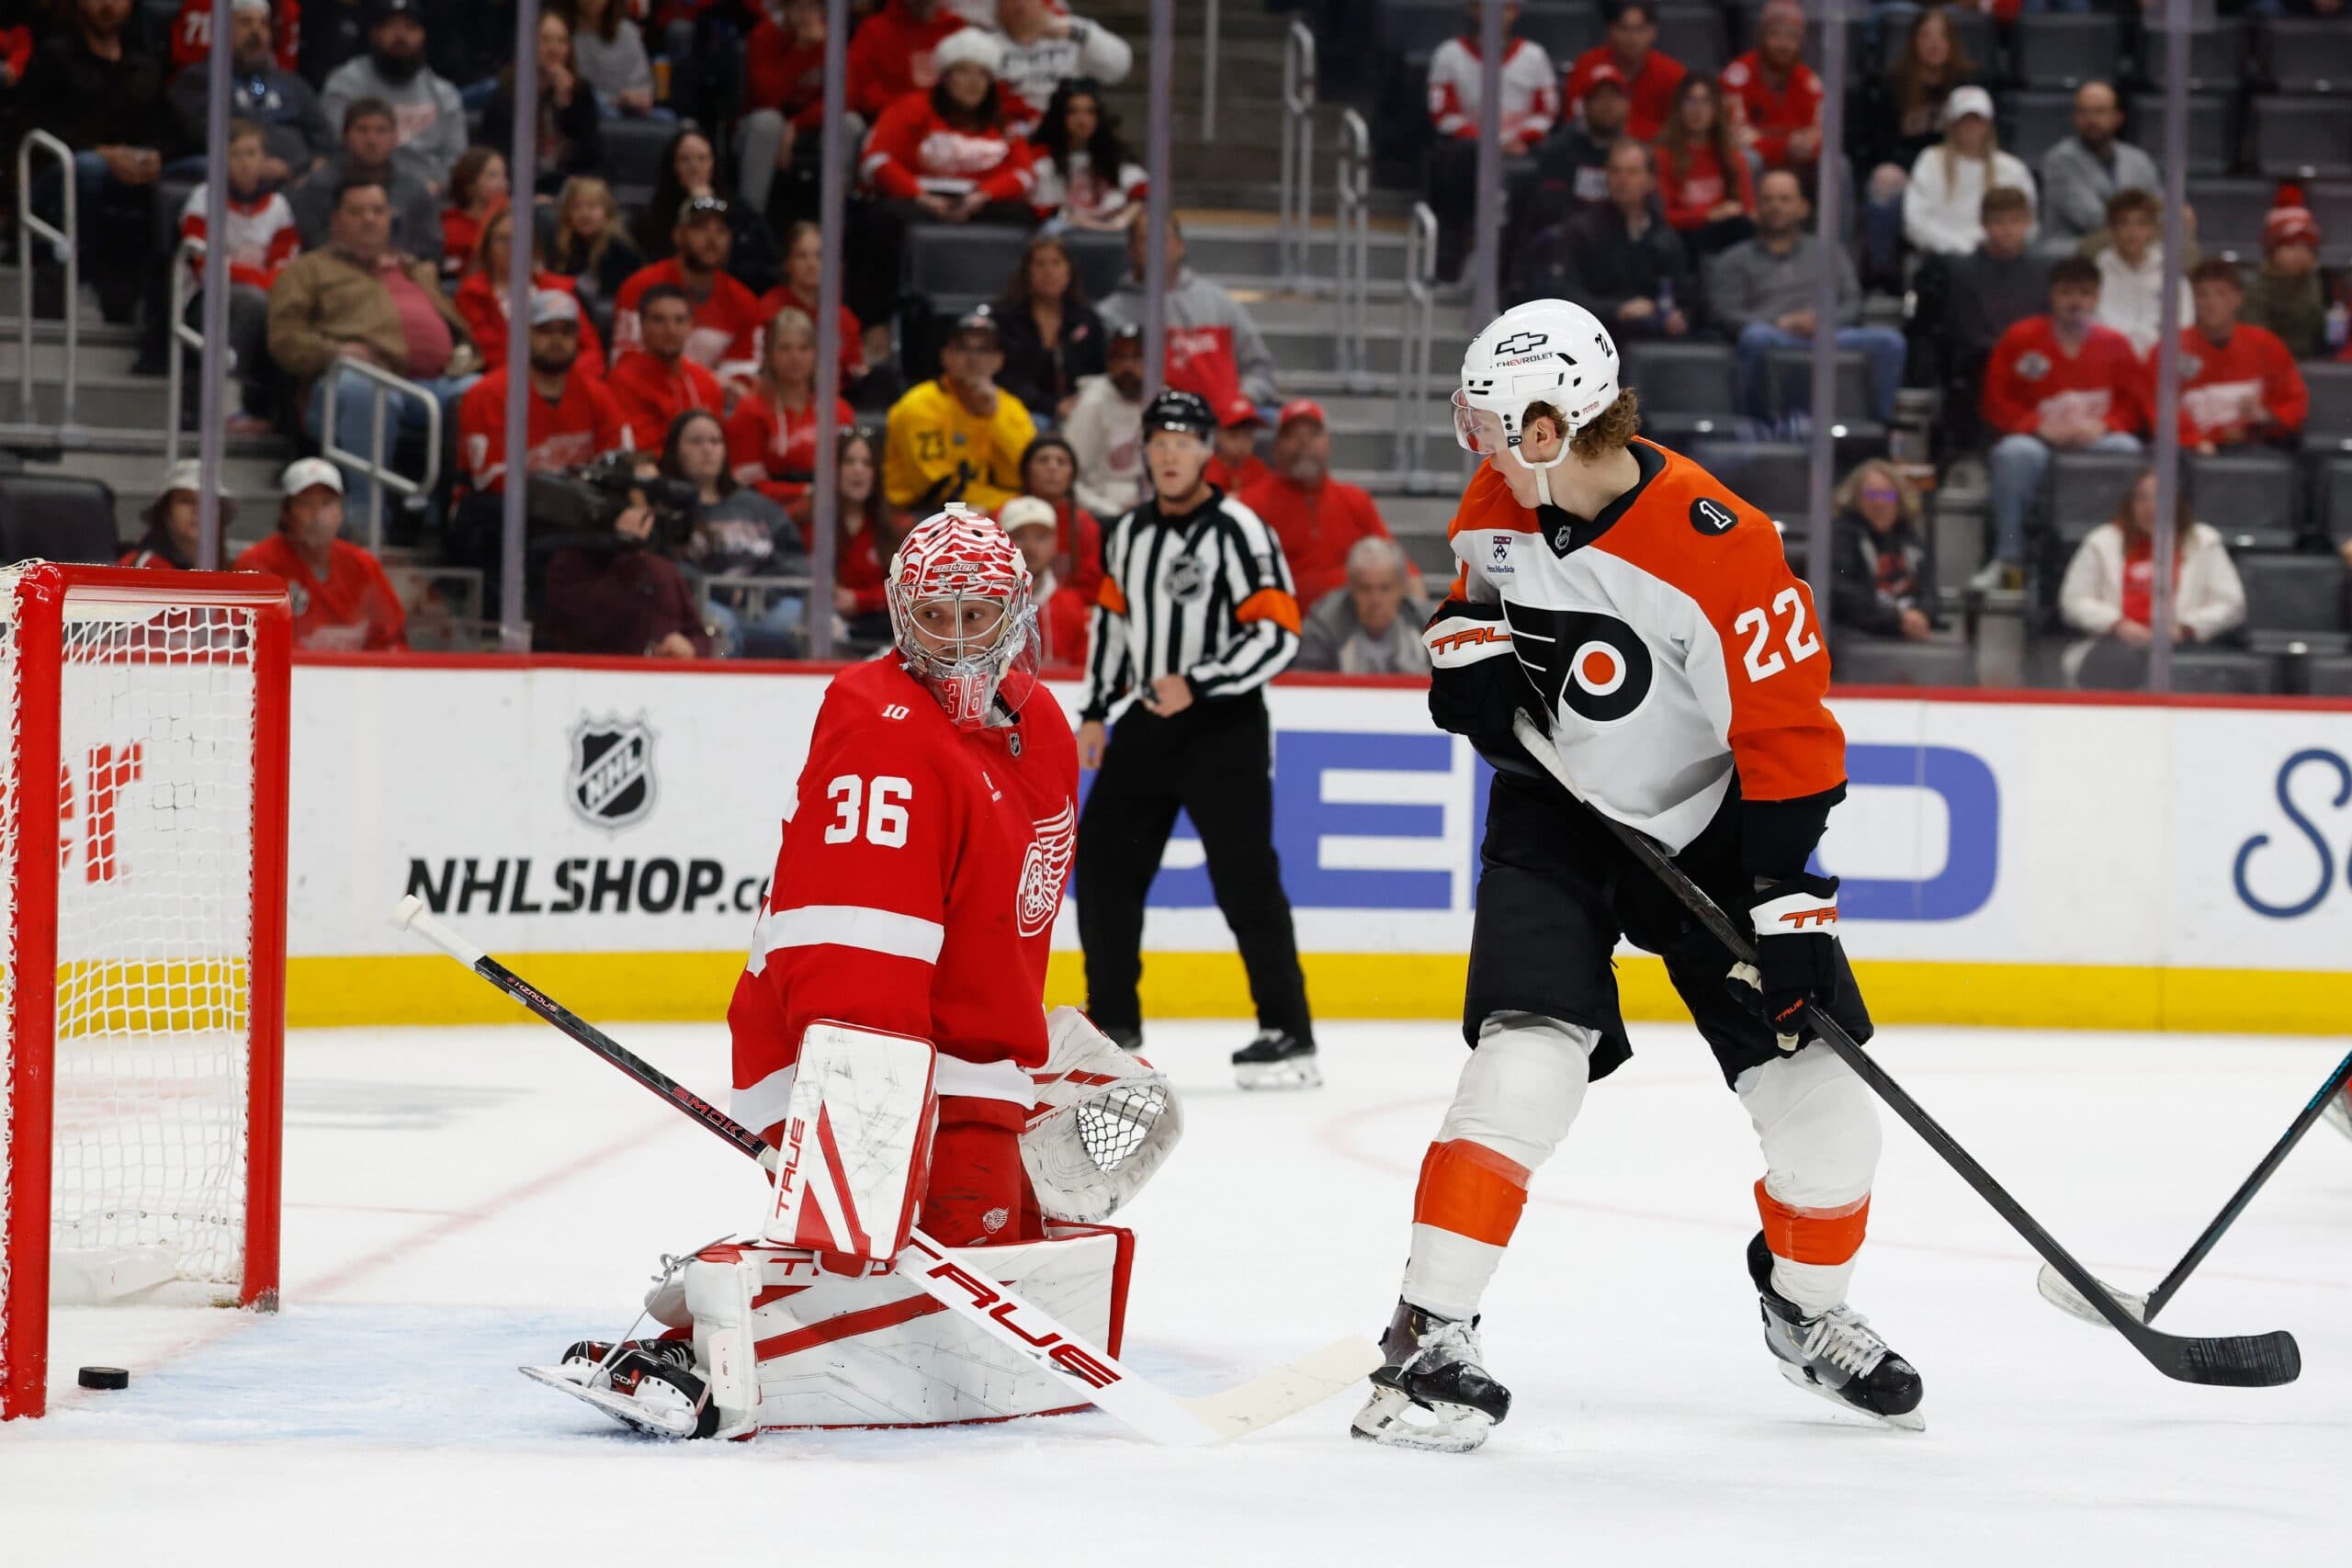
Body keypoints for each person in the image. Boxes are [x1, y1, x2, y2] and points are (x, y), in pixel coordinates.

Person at [1351, 298, 1915, 1455]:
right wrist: (1468, 660)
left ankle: (1806, 1315)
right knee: (1522, 1072)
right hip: (1557, 817)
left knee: (1827, 1121)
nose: (1485, 454)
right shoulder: (1508, 495)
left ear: (1554, 426)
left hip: (1712, 832)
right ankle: (1425, 1344)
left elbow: (1792, 743)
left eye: (1499, 430)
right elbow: (1475, 606)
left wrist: (1788, 912)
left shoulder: (1725, 548)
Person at [1076, 388, 1316, 1087]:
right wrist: (1094, 708)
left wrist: (1203, 681)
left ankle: (1289, 1031)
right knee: (1103, 868)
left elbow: (1279, 630)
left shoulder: (1240, 529)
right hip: (1148, 717)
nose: (1171, 454)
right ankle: (1114, 1024)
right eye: (1160, 442)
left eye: (1184, 441)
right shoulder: (1127, 534)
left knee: (1245, 880)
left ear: (1207, 452)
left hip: (1225, 724)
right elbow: (1111, 628)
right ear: (1146, 453)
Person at [266, 174, 480, 522]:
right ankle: (366, 520)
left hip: (435, 383)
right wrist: (335, 352)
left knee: (482, 393)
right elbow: (284, 339)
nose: (370, 219)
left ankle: (453, 515)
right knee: (364, 389)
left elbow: (456, 327)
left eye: (378, 211)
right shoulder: (308, 270)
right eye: (358, 212)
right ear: (336, 220)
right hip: (350, 387)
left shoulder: (413, 270)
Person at [1979, 257, 2148, 587]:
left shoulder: (2116, 345)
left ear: (2097, 297)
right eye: (2067, 292)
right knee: (2014, 455)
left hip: (2095, 439)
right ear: (2052, 295)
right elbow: (1995, 401)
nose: (2075, 302)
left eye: (2085, 293)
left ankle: (2120, 558)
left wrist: (2105, 425)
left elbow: (2133, 405)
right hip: (2036, 439)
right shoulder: (2020, 339)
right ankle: (2008, 559)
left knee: (2125, 448)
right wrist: (2036, 425)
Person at [854, 27, 1037, 325]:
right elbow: (876, 159)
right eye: (963, 72)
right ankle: (877, 323)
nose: (973, 83)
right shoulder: (911, 107)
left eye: (981, 74)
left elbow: (1024, 173)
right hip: (920, 201)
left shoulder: (1001, 121)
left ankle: (1010, 314)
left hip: (977, 202)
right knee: (883, 221)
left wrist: (983, 195)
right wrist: (919, 195)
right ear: (945, 76)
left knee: (1022, 218)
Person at [1708, 170, 1906, 423]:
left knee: (1889, 342)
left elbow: (1853, 302)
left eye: (1784, 199)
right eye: (1768, 200)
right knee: (1754, 337)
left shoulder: (1829, 253)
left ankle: (1879, 429)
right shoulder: (1735, 258)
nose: (1776, 207)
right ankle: (1757, 426)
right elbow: (1725, 311)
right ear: (1756, 208)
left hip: (1826, 334)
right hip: (1772, 334)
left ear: (1803, 207)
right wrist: (1780, 322)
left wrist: (1822, 321)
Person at [17, 0, 175, 314]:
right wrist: (101, 152)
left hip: (130, 170)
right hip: (55, 172)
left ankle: (165, 300)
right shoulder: (55, 55)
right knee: (89, 168)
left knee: (194, 171)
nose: (107, 5)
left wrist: (157, 155)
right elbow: (30, 122)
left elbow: (176, 131)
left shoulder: (143, 65)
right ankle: (76, 278)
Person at [2060, 468, 2245, 690]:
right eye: (2142, 498)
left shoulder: (2204, 541)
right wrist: (2118, 624)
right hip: (2115, 645)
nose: (2151, 508)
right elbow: (2073, 601)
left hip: (2184, 646)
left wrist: (2185, 628)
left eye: (2161, 497)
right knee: (2119, 660)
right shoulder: (2101, 541)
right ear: (2130, 503)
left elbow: (2231, 604)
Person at [177, 119, 301, 435]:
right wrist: (260, 281)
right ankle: (226, 407)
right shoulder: (203, 200)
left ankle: (290, 417)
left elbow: (286, 265)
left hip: (263, 299)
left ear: (265, 160)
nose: (246, 163)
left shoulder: (279, 207)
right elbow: (207, 268)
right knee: (250, 300)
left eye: (252, 153)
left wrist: (262, 281)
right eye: (236, 154)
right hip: (201, 304)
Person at [1427, 1, 1557, 281]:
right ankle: (1451, 259)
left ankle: (1514, 272)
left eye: (1507, 7)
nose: (1498, 14)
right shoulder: (1450, 54)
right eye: (1487, 6)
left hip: (1521, 150)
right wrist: (1485, 142)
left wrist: (1519, 138)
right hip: (1467, 151)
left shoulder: (1534, 57)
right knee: (1458, 161)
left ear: (1517, 12)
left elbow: (1546, 112)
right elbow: (1443, 113)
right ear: (1473, 10)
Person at [1513, 139, 1692, 337]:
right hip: (1595, 337)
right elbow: (1564, 296)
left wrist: (1681, 316)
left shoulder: (1665, 236)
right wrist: (1618, 310)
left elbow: (1686, 296)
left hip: (1653, 341)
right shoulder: (1581, 231)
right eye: (1615, 171)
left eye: (1632, 172)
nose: (1622, 179)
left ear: (1651, 181)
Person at [668, 408, 809, 655]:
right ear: (676, 450)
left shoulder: (757, 506)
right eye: (696, 441)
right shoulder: (669, 509)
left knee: (802, 620)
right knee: (721, 626)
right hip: (703, 604)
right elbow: (668, 565)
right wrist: (724, 591)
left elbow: (793, 561)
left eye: (715, 441)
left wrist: (762, 593)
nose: (707, 449)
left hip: (763, 603)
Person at [456, 289, 627, 492]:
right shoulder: (486, 394)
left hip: (576, 511)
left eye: (566, 332)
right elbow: (491, 480)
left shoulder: (598, 394)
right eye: (545, 331)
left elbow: (618, 463)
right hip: (498, 511)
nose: (556, 340)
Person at [1099, 216, 1279, 408]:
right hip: (1139, 426)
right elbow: (1101, 388)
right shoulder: (1109, 315)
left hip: (1219, 425)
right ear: (1131, 250)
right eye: (1145, 239)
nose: (1155, 247)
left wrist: (1238, 405)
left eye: (1162, 239)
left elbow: (1259, 368)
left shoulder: (1219, 304)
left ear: (1180, 246)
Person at [1856, 7, 1977, 287]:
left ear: (1952, 43)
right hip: (1908, 170)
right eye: (1926, 36)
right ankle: (1884, 275)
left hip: (1956, 168)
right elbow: (1879, 146)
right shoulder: (1890, 85)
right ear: (1913, 42)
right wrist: (1922, 172)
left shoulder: (1969, 83)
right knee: (1884, 180)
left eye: (1942, 37)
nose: (1934, 44)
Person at [234, 457, 410, 649]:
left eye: (326, 503)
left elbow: (393, 640)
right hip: (281, 677)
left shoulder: (363, 565)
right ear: (286, 513)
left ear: (341, 512)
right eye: (305, 503)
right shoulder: (257, 564)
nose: (317, 515)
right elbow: (235, 640)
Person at [1239, 400, 1397, 606]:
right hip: (1280, 623)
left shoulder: (1355, 501)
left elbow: (1398, 566)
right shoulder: (1250, 506)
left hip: (1349, 626)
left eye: (1313, 435)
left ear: (1328, 444)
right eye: (1293, 436)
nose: (1303, 443)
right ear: (1277, 447)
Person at [884, 308, 1038, 513]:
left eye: (984, 350)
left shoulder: (1010, 407)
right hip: (922, 511)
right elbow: (934, 485)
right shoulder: (919, 405)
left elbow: (1028, 472)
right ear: (945, 356)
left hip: (994, 509)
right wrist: (1003, 507)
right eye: (963, 348)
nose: (973, 359)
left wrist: (995, 417)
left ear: (999, 360)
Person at [169, 0, 333, 186]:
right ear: (221, 31)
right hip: (230, 181)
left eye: (263, 24)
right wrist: (260, 163)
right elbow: (211, 132)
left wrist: (312, 166)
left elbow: (323, 137)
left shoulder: (285, 83)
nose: (257, 32)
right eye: (245, 22)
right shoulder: (200, 80)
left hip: (300, 181)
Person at [612, 197, 767, 392]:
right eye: (700, 229)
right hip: (645, 397)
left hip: (712, 406)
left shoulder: (744, 302)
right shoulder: (640, 287)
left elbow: (743, 377)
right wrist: (694, 381)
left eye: (721, 231)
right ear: (678, 235)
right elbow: (625, 361)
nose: (712, 239)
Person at [538, 491, 714, 658]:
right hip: (599, 678)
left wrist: (690, 648)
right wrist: (627, 548)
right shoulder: (570, 564)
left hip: (664, 679)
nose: (647, 516)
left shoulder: (663, 568)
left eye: (647, 508)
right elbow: (588, 627)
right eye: (635, 508)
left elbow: (699, 636)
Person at [1937, 186, 2046, 449]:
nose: (2007, 230)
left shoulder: (2044, 271)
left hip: (2039, 368)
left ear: (2028, 222)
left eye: (2015, 221)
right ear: (1984, 224)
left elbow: (2047, 327)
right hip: (1983, 366)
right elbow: (1964, 332)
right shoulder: (1962, 272)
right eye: (1998, 221)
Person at [319, 0, 465, 195]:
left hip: (430, 197)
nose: (401, 36)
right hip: (359, 194)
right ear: (375, 33)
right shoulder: (346, 83)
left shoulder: (444, 94)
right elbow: (335, 147)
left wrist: (436, 186)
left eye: (410, 27)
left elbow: (456, 159)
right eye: (391, 27)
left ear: (423, 36)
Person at [288, 96, 443, 267]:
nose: (372, 140)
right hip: (334, 275)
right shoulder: (319, 186)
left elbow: (431, 248)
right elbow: (310, 240)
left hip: (402, 275)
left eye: (381, 131)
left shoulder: (414, 190)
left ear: (395, 138)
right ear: (345, 136)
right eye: (362, 130)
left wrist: (403, 262)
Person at [726, 306, 856, 507]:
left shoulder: (838, 410)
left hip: (831, 509)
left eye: (804, 348)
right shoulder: (751, 410)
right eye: (785, 348)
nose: (795, 357)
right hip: (770, 512)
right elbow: (747, 484)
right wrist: (805, 493)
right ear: (770, 354)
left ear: (816, 354)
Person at [2176, 258, 2309, 454]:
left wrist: (2266, 417)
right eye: (2202, 295)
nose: (2212, 303)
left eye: (2221, 294)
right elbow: (2159, 411)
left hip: (2255, 447)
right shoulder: (2172, 349)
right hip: (2194, 450)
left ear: (2238, 298)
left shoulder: (2266, 345)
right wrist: (2205, 438)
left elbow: (2295, 402)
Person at [632, 128, 780, 289]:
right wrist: (695, 205)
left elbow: (764, 264)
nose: (694, 167)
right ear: (673, 166)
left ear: (713, 164)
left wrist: (707, 203)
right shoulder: (654, 214)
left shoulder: (738, 210)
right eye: (685, 160)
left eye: (702, 158)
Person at [1903, 86, 2035, 261]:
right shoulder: (1930, 161)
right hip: (1942, 258)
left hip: (1999, 258)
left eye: (1977, 120)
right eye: (1964, 120)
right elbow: (1915, 222)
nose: (1971, 127)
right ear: (1951, 125)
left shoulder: (2012, 168)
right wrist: (1962, 249)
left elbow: (2029, 223)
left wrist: (1993, 247)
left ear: (1988, 124)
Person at [481, 10, 604, 197]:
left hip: (566, 192)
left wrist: (565, 107)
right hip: (518, 189)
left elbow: (590, 158)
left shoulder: (581, 94)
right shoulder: (506, 93)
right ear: (529, 44)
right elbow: (497, 155)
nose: (553, 48)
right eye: (545, 40)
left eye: (561, 41)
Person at [799, 426, 901, 643]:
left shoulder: (894, 528)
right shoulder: (809, 521)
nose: (858, 470)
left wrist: (859, 600)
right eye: (849, 462)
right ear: (834, 470)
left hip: (881, 632)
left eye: (866, 463)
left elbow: (905, 588)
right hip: (823, 629)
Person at [2038, 81, 2161, 256]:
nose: (2091, 119)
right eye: (2084, 112)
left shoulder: (2138, 160)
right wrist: (2138, 227)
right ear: (2075, 118)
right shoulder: (2059, 160)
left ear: (2118, 117)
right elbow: (2091, 219)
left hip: (2130, 247)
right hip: (2075, 252)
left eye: (2100, 111)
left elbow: (2157, 209)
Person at [994, 232, 1107, 420]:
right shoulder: (1006, 319)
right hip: (1021, 411)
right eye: (1040, 264)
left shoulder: (1087, 320)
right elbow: (1006, 378)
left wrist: (1080, 403)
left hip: (1080, 410)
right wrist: (1051, 406)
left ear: (1069, 271)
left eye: (1056, 263)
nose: (1049, 272)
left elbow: (1099, 372)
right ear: (1027, 271)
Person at [605, 283, 727, 451]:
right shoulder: (622, 381)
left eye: (679, 320)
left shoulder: (706, 383)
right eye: (659, 320)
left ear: (691, 325)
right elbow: (637, 451)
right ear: (642, 324)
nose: (671, 330)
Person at [759, 220, 870, 400]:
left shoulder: (843, 318)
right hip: (782, 401)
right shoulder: (769, 310)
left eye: (820, 256)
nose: (811, 264)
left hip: (834, 404)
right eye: (802, 256)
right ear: (787, 263)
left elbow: (854, 369)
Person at [1827, 460, 1937, 644]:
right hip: (1860, 634)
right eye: (1871, 495)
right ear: (1856, 500)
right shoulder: (1842, 537)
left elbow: (1930, 593)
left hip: (1910, 632)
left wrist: (1922, 614)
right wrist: (1897, 620)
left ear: (1899, 500)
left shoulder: (1911, 540)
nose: (1880, 502)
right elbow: (1843, 595)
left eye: (1887, 495)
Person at [738, 0, 827, 219]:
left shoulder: (830, 40)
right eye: (800, 7)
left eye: (813, 7)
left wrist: (796, 125)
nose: (807, 15)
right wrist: (800, 50)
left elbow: (843, 98)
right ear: (785, 9)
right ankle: (750, 222)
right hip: (757, 126)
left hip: (808, 127)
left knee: (849, 124)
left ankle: (836, 220)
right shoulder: (764, 36)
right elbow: (768, 99)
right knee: (769, 122)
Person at [1652, 74, 1756, 257]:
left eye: (1706, 102)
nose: (1697, 110)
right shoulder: (1663, 157)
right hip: (1684, 237)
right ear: (1679, 109)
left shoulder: (1733, 158)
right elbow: (1662, 215)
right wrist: (1708, 215)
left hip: (1728, 235)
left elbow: (1746, 209)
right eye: (1690, 101)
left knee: (1744, 227)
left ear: (1716, 110)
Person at [1296, 536, 1431, 676]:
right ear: (1351, 589)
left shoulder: (1427, 623)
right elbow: (1304, 685)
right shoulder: (1324, 627)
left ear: (1401, 589)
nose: (1375, 600)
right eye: (1365, 589)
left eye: (1385, 588)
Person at [994, 0, 1131, 136]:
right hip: (1016, 132)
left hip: (1070, 132)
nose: (1020, 4)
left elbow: (1118, 68)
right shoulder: (990, 43)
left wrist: (1077, 35)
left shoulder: (1073, 28)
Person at [1027, 77, 1148, 230]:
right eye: (1073, 112)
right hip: (1065, 236)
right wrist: (1088, 225)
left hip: (1112, 233)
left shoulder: (1113, 155)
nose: (1083, 120)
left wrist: (1121, 221)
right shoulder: (1043, 159)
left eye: (1090, 112)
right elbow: (1045, 209)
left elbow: (1142, 190)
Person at [1719, 0, 1820, 175]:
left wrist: (1809, 144)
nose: (1783, 45)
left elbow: (1817, 134)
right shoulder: (1736, 78)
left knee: (1837, 164)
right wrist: (1784, 147)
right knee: (1749, 159)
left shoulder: (1809, 81)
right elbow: (1735, 138)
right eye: (1775, 35)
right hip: (1759, 163)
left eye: (1792, 37)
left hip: (1797, 163)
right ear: (1761, 37)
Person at [1564, 0, 1685, 143]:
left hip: (1654, 153)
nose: (1631, 38)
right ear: (1610, 31)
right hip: (1595, 149)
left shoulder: (1673, 73)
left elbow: (1681, 129)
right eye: (1623, 28)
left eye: (1639, 29)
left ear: (1653, 32)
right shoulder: (1587, 66)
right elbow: (1574, 121)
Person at [1062, 322, 1146, 519]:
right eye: (1120, 357)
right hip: (1104, 509)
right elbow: (1067, 479)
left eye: (1136, 357)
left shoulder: (1161, 399)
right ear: (1108, 362)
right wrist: (1112, 511)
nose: (1128, 366)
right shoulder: (1092, 403)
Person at [1001, 493, 1090, 664]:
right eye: (1019, 536)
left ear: (1055, 542)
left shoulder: (1073, 606)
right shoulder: (987, 605)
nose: (1031, 546)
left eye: (1041, 537)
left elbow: (1083, 673)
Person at [846, 0, 966, 121]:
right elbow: (862, 87)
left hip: (950, 123)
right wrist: (905, 110)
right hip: (889, 122)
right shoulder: (873, 31)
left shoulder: (954, 29)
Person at [1019, 432, 1103, 602]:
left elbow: (1091, 587)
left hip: (1068, 613)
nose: (1052, 467)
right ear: (1026, 470)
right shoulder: (1002, 517)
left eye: (1061, 462)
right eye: (1043, 460)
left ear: (1072, 474)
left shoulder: (1084, 524)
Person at [548, 175, 643, 322]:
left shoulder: (619, 248)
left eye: (592, 207)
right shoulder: (564, 246)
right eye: (577, 207)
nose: (584, 214)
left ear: (608, 212)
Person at [2242, 203, 2328, 361]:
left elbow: (2320, 333)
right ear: (2272, 251)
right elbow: (2254, 336)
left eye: (2307, 248)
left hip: (2309, 359)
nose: (2300, 254)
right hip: (2267, 362)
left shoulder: (2319, 283)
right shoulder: (2257, 290)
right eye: (2292, 246)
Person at [120, 459, 218, 569]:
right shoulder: (148, 565)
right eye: (185, 501)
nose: (197, 510)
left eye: (207, 501)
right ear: (166, 512)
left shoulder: (217, 564)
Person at [565, 0, 657, 117]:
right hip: (587, 112)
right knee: (609, 114)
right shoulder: (564, 34)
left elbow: (644, 85)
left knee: (666, 118)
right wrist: (613, 101)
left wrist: (638, 97)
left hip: (630, 109)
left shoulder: (628, 32)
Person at [439, 146, 509, 283]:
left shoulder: (512, 220)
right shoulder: (452, 226)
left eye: (504, 175)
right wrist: (490, 220)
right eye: (492, 176)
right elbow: (465, 276)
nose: (503, 183)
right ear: (470, 185)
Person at [1206, 399, 1269, 494]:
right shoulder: (1207, 468)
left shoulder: (1258, 468)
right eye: (1234, 436)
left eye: (1248, 436)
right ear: (1218, 436)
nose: (1242, 443)